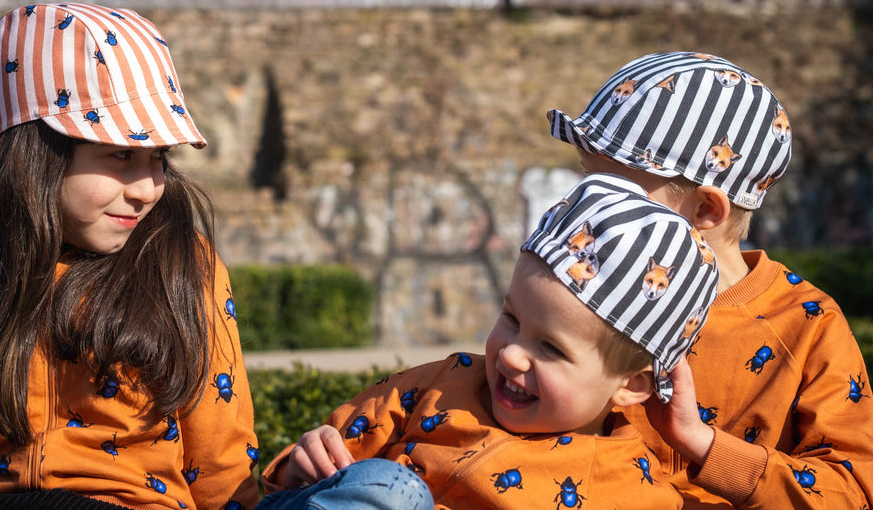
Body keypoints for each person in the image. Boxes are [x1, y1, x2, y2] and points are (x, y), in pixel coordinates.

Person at [0, 3, 259, 509]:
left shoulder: (181, 266)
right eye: (121, 155)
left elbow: (219, 457)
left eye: (158, 159)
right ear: (37, 154)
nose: (147, 188)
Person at [258, 173, 721, 509]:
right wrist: (299, 470)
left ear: (633, 385)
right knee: (390, 489)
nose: (513, 352)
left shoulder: (629, 488)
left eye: (552, 348)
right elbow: (310, 475)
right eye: (511, 317)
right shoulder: (437, 385)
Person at [547, 50, 873, 507]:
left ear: (705, 210)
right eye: (588, 180)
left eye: (618, 190)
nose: (591, 203)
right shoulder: (577, 290)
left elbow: (853, 489)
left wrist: (700, 441)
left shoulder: (806, 325)